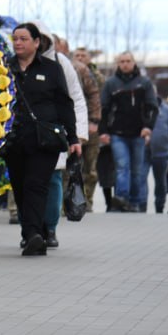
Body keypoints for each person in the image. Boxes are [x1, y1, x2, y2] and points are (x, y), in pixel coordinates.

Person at [3, 23, 80, 256]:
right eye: (15, 38)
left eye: (24, 39)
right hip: (13, 139)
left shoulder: (51, 69)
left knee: (36, 185)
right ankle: (34, 232)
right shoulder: (5, 68)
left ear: (37, 43)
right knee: (20, 187)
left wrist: (74, 137)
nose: (18, 43)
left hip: (44, 140)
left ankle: (34, 235)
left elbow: (65, 104)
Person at [99, 51, 158, 212]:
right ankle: (121, 199)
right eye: (122, 61)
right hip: (117, 134)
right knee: (122, 166)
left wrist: (148, 127)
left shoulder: (144, 83)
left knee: (137, 171)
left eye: (128, 61)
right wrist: (103, 131)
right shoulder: (111, 83)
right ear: (118, 64)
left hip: (139, 134)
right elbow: (103, 109)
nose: (125, 64)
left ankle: (134, 202)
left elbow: (152, 107)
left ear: (134, 62)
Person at [70, 45, 103, 211]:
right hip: (73, 123)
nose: (80, 58)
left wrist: (95, 121)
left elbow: (96, 97)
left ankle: (87, 200)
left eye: (84, 55)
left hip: (91, 125)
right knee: (72, 165)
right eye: (77, 55)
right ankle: (70, 202)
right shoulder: (69, 69)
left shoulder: (96, 76)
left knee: (90, 167)